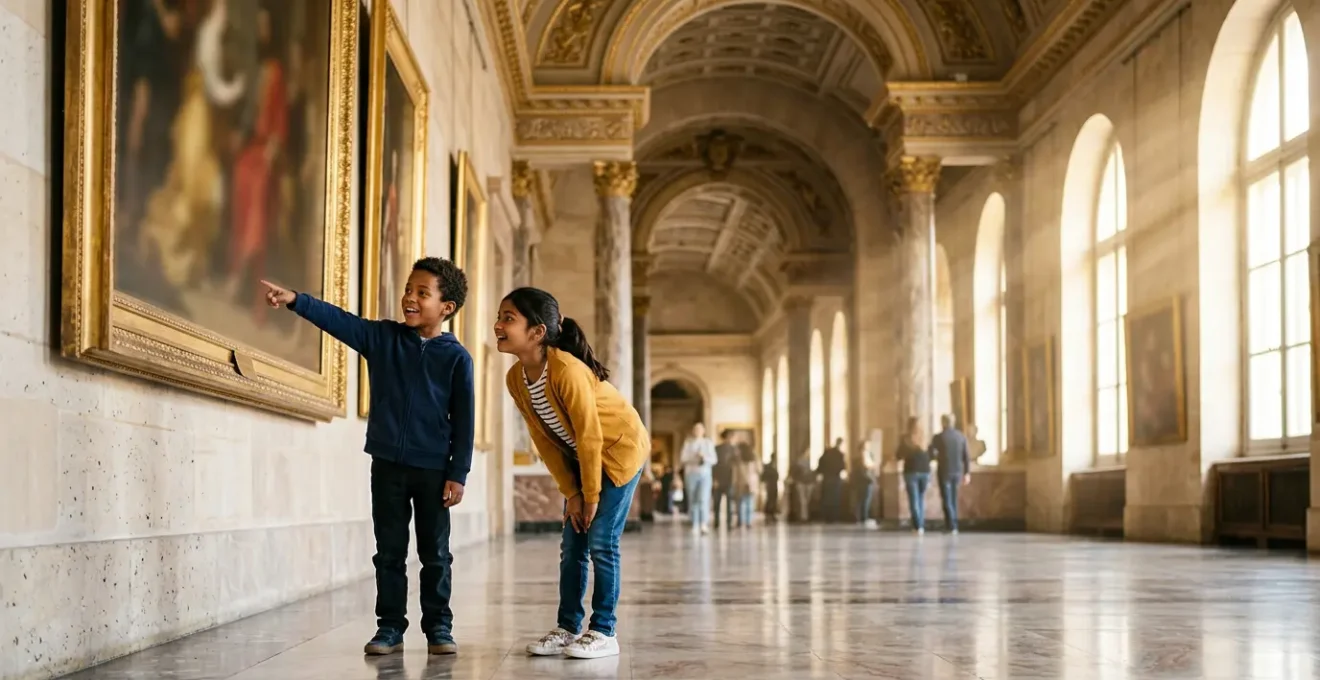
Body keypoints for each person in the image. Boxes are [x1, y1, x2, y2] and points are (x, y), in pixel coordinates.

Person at [260, 257, 472, 657]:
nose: (409, 298)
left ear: (446, 307)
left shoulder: (457, 358)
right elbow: (340, 321)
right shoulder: (383, 338)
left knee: (436, 555)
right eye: (408, 289)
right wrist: (296, 300)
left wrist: (457, 474)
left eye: (422, 293)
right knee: (389, 552)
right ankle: (389, 627)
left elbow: (464, 421)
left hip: (433, 471)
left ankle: (439, 627)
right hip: (387, 466)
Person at [495, 287, 648, 660]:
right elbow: (543, 440)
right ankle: (567, 628)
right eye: (500, 317)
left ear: (537, 332)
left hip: (619, 452)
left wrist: (591, 496)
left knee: (601, 541)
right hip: (584, 459)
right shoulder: (516, 378)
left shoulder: (566, 370)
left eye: (508, 318)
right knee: (573, 546)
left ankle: (604, 631)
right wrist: (573, 494)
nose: (498, 325)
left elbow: (590, 435)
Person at [930, 414, 972, 534]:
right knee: (953, 498)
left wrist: (937, 457)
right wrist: (967, 473)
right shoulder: (961, 437)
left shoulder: (938, 437)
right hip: (957, 471)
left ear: (943, 423)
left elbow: (931, 453)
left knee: (947, 499)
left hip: (944, 471)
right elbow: (966, 456)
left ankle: (951, 525)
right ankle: (954, 524)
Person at [679, 423, 718, 533]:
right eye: (696, 429)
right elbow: (683, 458)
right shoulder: (688, 443)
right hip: (691, 474)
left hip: (705, 474)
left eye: (700, 429)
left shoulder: (708, 443)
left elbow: (714, 460)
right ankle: (694, 523)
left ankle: (703, 523)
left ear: (703, 431)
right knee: (693, 499)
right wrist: (694, 457)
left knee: (703, 498)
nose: (698, 431)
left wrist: (704, 457)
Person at [897, 416, 931, 534]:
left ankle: (917, 526)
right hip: (925, 471)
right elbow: (931, 454)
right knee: (921, 498)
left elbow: (898, 455)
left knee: (913, 499)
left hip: (911, 471)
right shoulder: (925, 438)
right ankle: (921, 524)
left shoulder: (906, 439)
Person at [816, 438, 847, 522]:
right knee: (835, 498)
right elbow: (842, 466)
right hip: (835, 478)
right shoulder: (840, 454)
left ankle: (825, 516)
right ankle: (834, 517)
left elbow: (820, 464)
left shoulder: (827, 453)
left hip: (826, 478)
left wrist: (820, 473)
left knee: (826, 498)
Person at [711, 430, 737, 529]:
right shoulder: (717, 449)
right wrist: (714, 479)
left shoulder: (735, 450)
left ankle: (729, 522)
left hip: (729, 479)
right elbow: (714, 466)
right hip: (719, 478)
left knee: (729, 502)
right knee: (717, 502)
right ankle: (716, 521)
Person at [731, 443, 760, 528]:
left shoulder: (738, 461)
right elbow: (759, 470)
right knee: (749, 502)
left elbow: (734, 474)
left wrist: (733, 483)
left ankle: (740, 521)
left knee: (740, 503)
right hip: (751, 483)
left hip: (741, 483)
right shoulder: (754, 459)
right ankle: (748, 521)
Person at [850, 440, 877, 525]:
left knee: (861, 500)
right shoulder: (863, 457)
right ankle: (864, 517)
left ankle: (860, 517)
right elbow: (866, 467)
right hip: (865, 480)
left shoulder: (861, 457)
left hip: (861, 481)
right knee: (865, 500)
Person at [762, 453, 780, 521]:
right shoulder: (769, 467)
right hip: (770, 484)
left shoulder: (774, 466)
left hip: (774, 484)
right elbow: (764, 476)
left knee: (773, 499)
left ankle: (772, 514)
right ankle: (769, 514)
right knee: (770, 499)